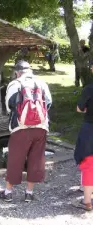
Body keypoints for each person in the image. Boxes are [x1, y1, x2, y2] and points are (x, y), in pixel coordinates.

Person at [0, 60, 52, 202]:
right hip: (41, 126)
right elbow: (49, 103)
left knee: (15, 159)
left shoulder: (15, 84)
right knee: (36, 158)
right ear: (30, 70)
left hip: (20, 127)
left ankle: (8, 193)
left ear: (17, 72)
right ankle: (29, 193)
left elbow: (10, 106)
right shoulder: (42, 83)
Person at [73, 65, 93, 211]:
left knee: (89, 164)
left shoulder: (89, 89)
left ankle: (87, 202)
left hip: (90, 129)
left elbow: (79, 108)